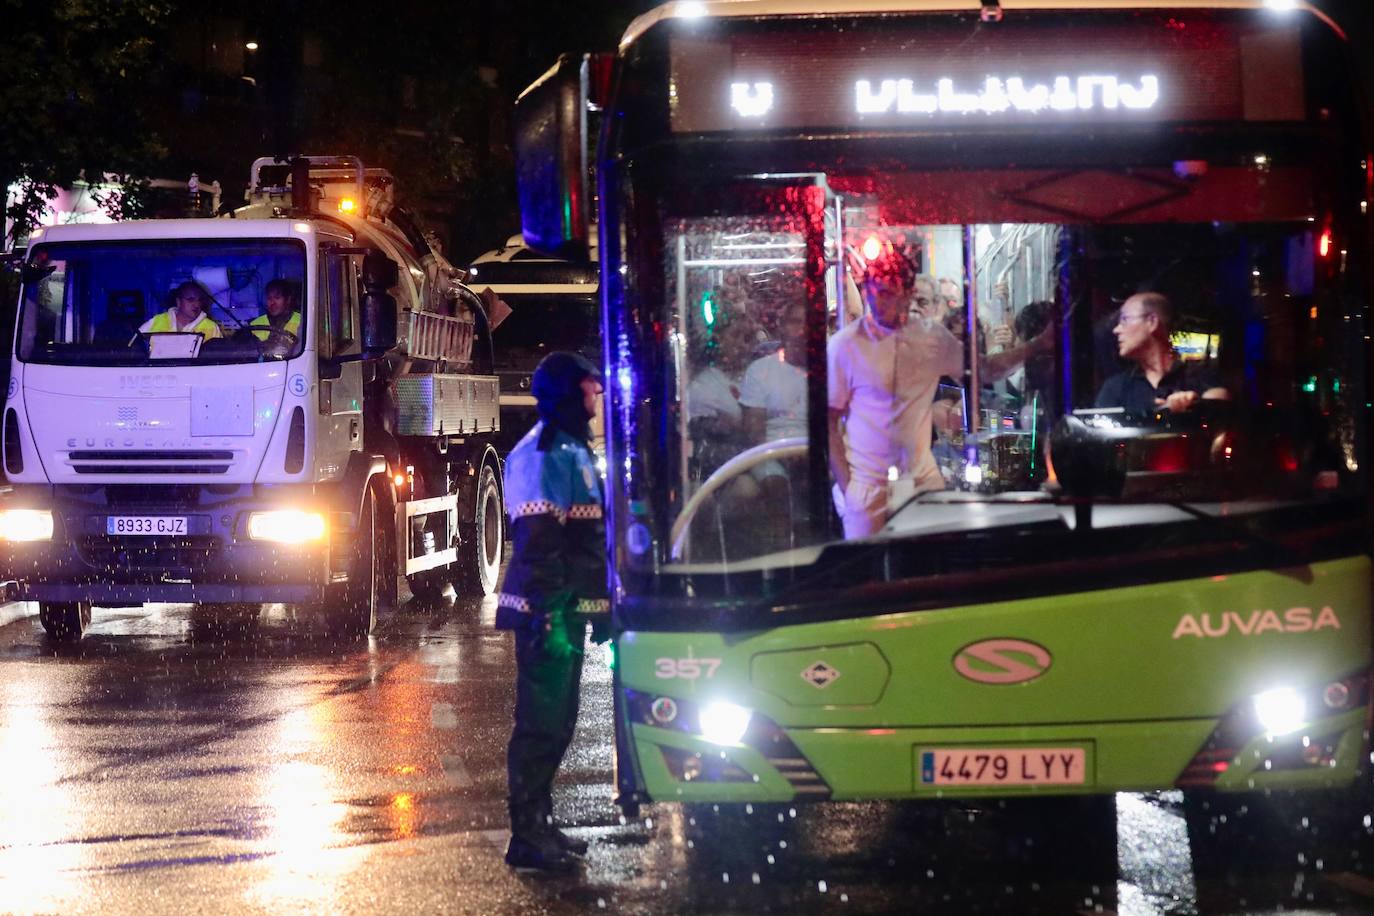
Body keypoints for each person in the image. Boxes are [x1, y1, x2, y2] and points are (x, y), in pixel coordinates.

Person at [828, 255, 1052, 538]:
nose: (875, 300)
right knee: (868, 571)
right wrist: (849, 487)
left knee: (930, 566)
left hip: (923, 480)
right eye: (870, 291)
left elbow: (983, 369)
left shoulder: (931, 337)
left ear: (907, 294)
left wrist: (1037, 344)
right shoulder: (844, 346)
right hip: (867, 484)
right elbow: (828, 422)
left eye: (886, 293)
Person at [497, 351, 607, 872]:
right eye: (588, 389)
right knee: (541, 726)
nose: (596, 399)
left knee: (560, 724)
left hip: (564, 613)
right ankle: (526, 837)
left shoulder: (571, 449)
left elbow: (586, 542)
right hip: (547, 615)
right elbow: (541, 547)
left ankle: (541, 825)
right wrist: (547, 618)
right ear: (567, 393)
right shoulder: (542, 454)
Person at [1095, 291, 1228, 416]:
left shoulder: (1200, 377)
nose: (1116, 330)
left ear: (1152, 322)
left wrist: (1195, 406)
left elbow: (1221, 412)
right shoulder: (1115, 388)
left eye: (1124, 319)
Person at [139, 281, 222, 339]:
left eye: (199, 300)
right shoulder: (156, 322)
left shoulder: (211, 327)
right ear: (178, 302)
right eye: (190, 300)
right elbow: (134, 349)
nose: (197, 304)